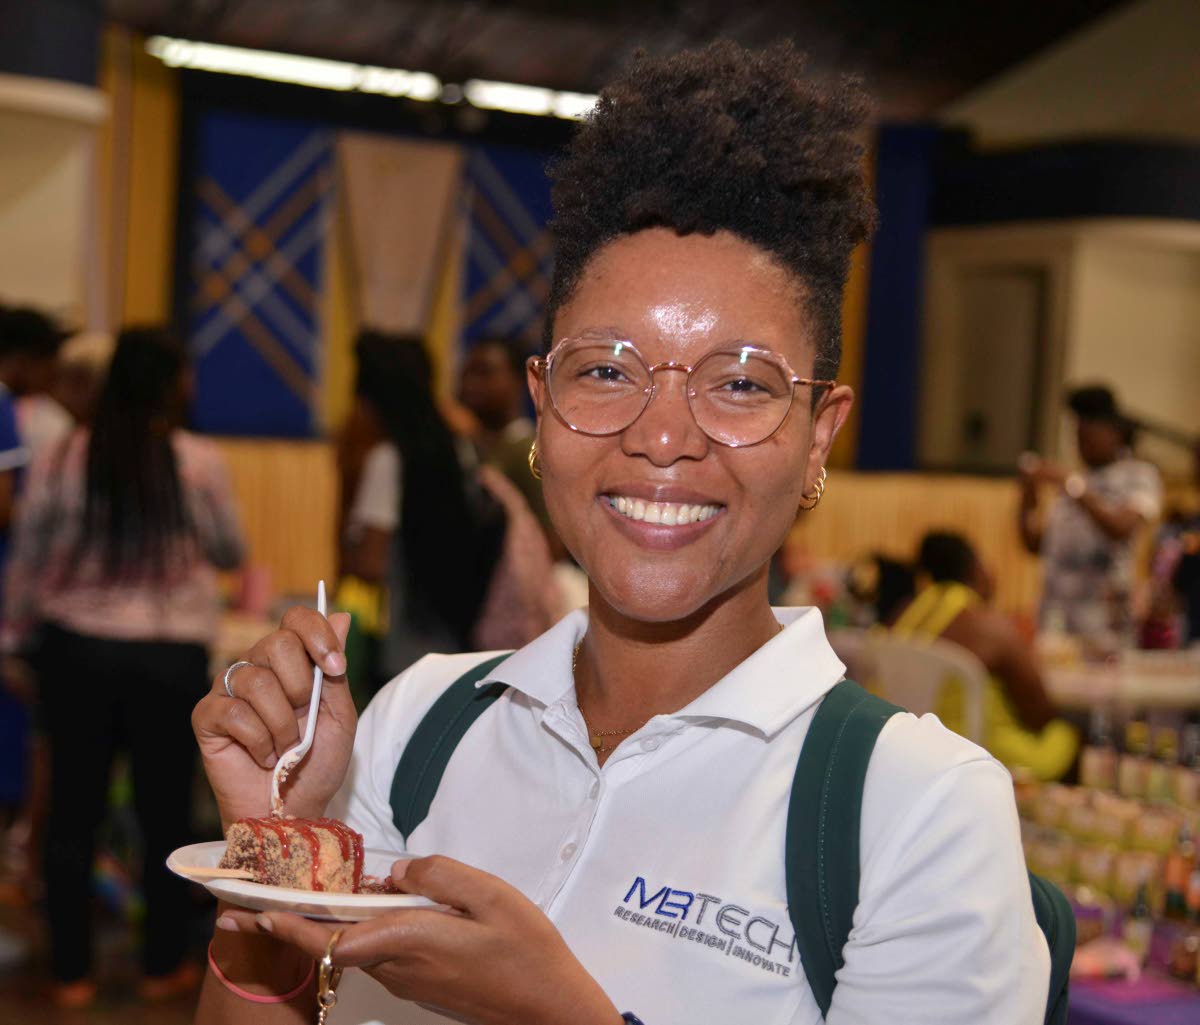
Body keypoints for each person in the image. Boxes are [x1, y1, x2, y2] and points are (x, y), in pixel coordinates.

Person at [194, 42, 1048, 1025]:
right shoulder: (415, 727)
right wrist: (274, 845)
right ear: (540, 408)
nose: (662, 437)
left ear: (820, 436)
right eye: (605, 369)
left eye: (739, 383)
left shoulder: (911, 809)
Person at [2, 326, 245, 1008]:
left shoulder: (63, 454)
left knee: (71, 815)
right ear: (173, 384)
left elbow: (29, 556)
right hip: (167, 658)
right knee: (164, 813)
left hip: (75, 650)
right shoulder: (197, 461)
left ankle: (70, 974)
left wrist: (14, 640)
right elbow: (231, 549)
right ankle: (161, 964)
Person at [340, 331, 557, 692]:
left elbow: (370, 563)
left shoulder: (391, 460)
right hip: (463, 634)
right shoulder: (460, 451)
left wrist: (350, 540)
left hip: (404, 645)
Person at [893, 532, 1080, 781]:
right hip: (981, 754)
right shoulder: (987, 627)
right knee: (1071, 733)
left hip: (913, 753)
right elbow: (1040, 714)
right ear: (974, 568)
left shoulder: (906, 617)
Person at [1019, 385, 1162, 645]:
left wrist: (1074, 488)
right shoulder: (1077, 480)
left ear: (1115, 433)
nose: (1081, 445)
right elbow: (1036, 544)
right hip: (1055, 622)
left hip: (1103, 628)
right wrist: (1027, 501)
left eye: (1088, 436)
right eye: (1078, 437)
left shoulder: (1138, 475)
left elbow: (1120, 528)